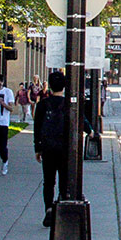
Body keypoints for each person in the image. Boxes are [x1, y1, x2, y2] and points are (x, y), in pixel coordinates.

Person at [33, 70, 70, 227]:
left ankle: (48, 208)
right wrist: (90, 132)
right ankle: (61, 206)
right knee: (64, 180)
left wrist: (38, 148)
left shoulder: (43, 105)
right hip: (65, 148)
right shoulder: (69, 104)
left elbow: (37, 127)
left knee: (48, 181)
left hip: (48, 147)